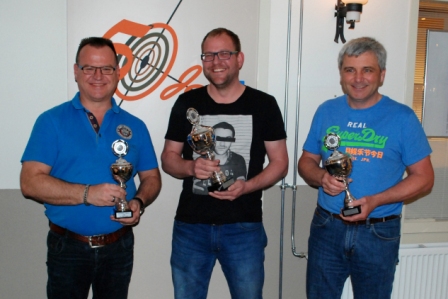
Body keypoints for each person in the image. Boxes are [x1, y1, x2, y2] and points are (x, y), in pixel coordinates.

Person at [20, 37, 161, 299]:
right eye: (89, 68)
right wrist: (87, 193)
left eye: (106, 68)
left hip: (118, 248)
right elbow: (29, 183)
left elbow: (152, 177)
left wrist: (139, 202)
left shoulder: (136, 126)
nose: (98, 76)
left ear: (118, 73)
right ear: (76, 72)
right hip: (68, 248)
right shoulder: (51, 121)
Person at [297, 37, 434, 299]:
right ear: (341, 75)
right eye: (350, 70)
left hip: (379, 231)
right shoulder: (326, 111)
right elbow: (306, 162)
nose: (358, 78)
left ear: (381, 75)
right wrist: (321, 177)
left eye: (367, 70)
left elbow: (425, 178)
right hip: (328, 227)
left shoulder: (402, 117)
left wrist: (376, 200)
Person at [161, 28, 288, 299]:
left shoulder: (264, 104)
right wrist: (190, 167)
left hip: (244, 227)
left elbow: (280, 163)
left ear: (239, 59)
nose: (216, 61)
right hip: (191, 227)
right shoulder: (187, 102)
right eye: (208, 55)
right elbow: (168, 159)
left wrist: (248, 186)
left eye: (224, 53)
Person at [193, 121, 247, 195]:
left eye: (228, 139)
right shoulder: (201, 162)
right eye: (218, 138)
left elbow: (239, 184)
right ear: (210, 139)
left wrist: (211, 189)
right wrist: (228, 183)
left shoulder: (238, 160)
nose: (222, 144)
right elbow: (197, 188)